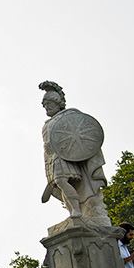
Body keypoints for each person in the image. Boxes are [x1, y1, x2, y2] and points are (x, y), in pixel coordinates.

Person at [39, 81, 111, 224]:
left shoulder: (69, 115)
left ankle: (77, 210)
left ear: (58, 104)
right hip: (52, 160)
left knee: (61, 181)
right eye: (45, 105)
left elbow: (82, 134)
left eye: (49, 104)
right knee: (60, 187)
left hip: (66, 158)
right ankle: (74, 211)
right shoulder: (46, 125)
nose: (47, 107)